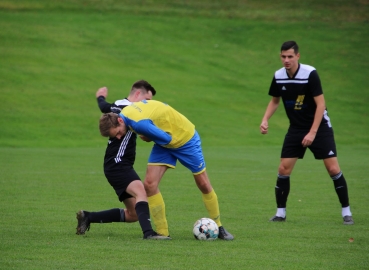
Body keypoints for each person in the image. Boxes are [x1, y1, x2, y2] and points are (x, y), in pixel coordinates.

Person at [99, 99, 234, 240]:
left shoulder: (139, 124)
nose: (119, 137)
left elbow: (166, 138)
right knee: (150, 185)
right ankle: (162, 233)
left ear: (120, 121)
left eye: (118, 133)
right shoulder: (125, 114)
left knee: (203, 184)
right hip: (165, 144)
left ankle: (219, 227)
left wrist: (148, 136)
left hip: (184, 138)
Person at [260, 41, 354, 225]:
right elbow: (275, 101)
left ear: (297, 56)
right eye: (283, 56)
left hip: (319, 127)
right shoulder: (278, 76)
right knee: (283, 169)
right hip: (296, 128)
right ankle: (280, 213)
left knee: (333, 169)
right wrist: (265, 119)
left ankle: (346, 212)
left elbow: (320, 105)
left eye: (290, 56)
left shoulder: (310, 73)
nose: (286, 60)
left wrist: (312, 133)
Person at [76, 80, 171, 240]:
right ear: (138, 94)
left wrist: (100, 97)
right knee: (141, 191)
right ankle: (148, 234)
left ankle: (88, 217)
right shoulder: (127, 110)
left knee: (133, 214)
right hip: (118, 164)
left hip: (113, 166)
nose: (148, 104)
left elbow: (104, 107)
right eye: (147, 99)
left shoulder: (117, 106)